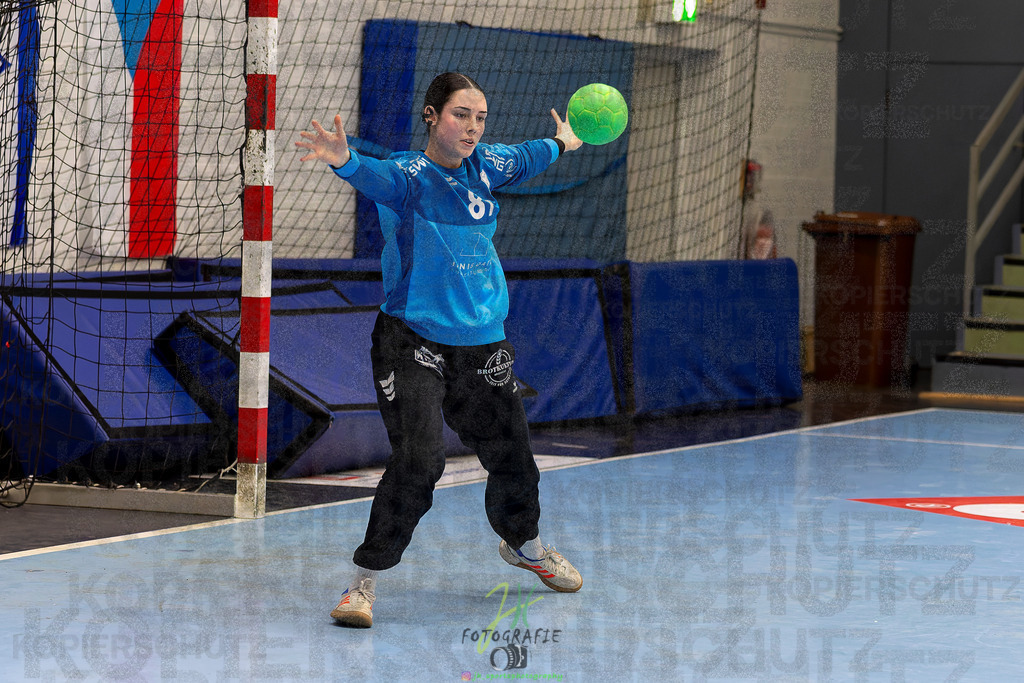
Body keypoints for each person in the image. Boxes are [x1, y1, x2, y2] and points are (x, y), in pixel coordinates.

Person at [295, 72, 585, 629]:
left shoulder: (489, 167)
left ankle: (524, 544)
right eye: (460, 115)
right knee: (419, 460)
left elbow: (529, 155)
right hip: (413, 341)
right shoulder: (410, 176)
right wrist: (343, 160)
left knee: (514, 456)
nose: (472, 127)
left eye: (479, 116)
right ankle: (363, 583)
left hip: (483, 342)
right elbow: (375, 178)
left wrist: (564, 143)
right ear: (432, 116)